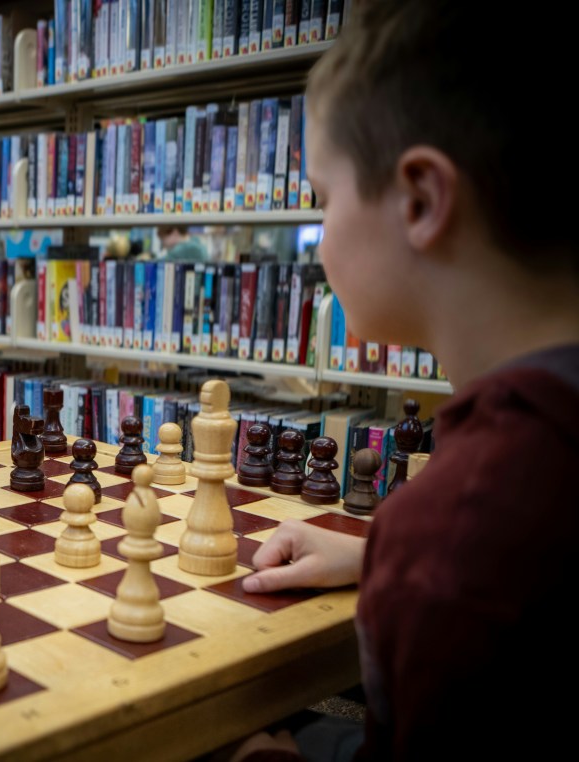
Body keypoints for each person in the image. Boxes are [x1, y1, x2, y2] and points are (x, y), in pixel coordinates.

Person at [228, 1, 579, 761]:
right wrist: (379, 554)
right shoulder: (489, 511)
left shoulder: (460, 532)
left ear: (420, 200)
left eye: (324, 198)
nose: (321, 237)